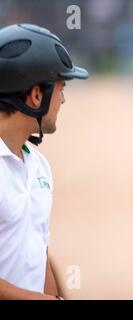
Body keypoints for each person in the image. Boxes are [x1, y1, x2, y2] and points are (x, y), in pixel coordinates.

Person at [0, 23, 88, 299]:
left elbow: (38, 252)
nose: (63, 100)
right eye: (61, 87)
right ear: (36, 95)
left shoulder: (39, 166)